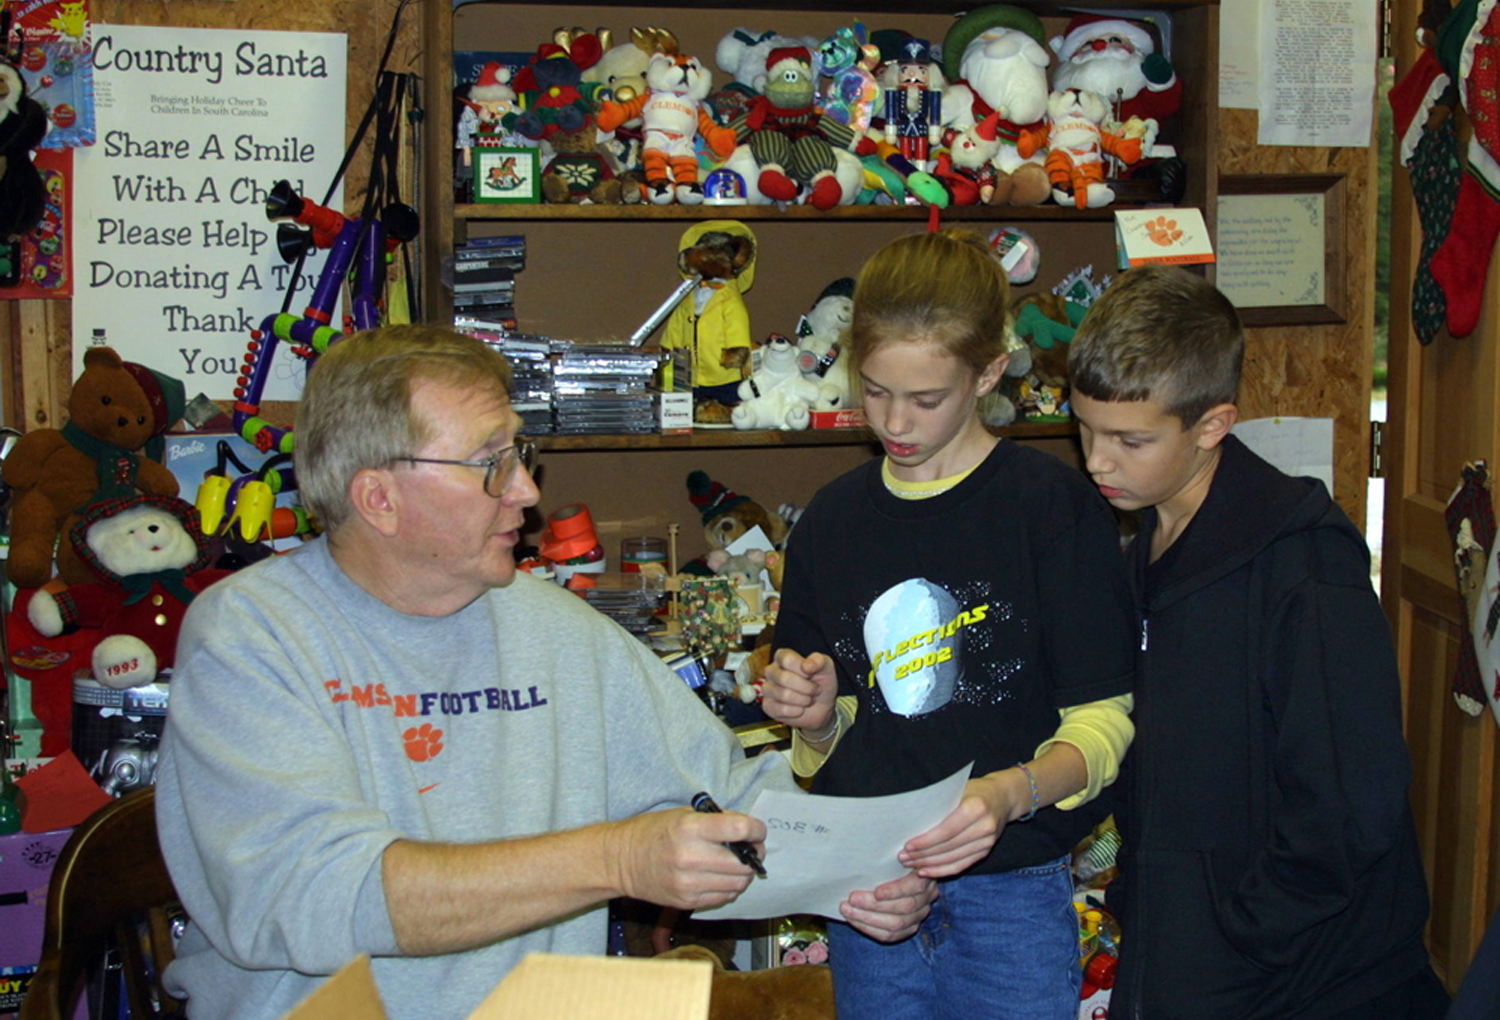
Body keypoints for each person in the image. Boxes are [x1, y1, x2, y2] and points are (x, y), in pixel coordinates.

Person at [154, 325, 937, 1020]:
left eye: (519, 455)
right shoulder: (251, 638)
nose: (527, 493)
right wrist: (618, 859)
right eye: (491, 465)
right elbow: (315, 897)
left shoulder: (554, 629)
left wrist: (865, 869)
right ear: (379, 498)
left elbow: (725, 796)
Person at [761, 229, 1137, 1020]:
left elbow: (1104, 726)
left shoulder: (1052, 510)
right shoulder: (832, 521)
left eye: (926, 398)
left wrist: (1010, 795)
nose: (895, 421)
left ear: (990, 372)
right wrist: (815, 714)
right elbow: (825, 751)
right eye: (874, 390)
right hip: (872, 892)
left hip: (1011, 894)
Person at [1067, 264, 1447, 1020]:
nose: (1097, 460)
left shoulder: (1305, 571)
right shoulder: (1141, 548)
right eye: (1083, 428)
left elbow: (1350, 801)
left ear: (1212, 425)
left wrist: (1245, 932)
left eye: (1129, 439)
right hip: (1189, 950)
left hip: (1301, 976)